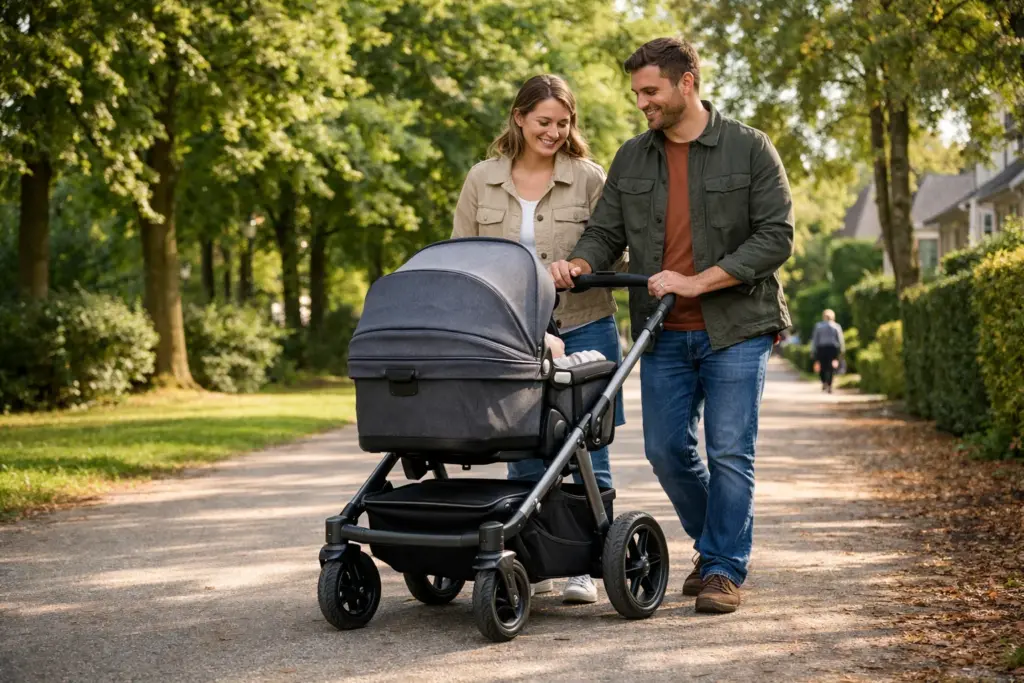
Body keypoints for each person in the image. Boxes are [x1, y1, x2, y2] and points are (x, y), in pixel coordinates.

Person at [549, 38, 794, 614]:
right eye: (637, 92)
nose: (642, 103)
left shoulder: (750, 148)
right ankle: (716, 549)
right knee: (665, 450)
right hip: (661, 332)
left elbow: (775, 237)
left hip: (737, 326)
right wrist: (582, 263)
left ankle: (722, 571)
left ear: (687, 83)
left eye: (650, 90)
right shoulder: (633, 156)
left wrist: (699, 280)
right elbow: (606, 231)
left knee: (731, 450)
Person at [451, 74, 626, 604]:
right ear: (520, 117)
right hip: (514, 332)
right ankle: (528, 555)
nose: (553, 131)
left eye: (563, 122)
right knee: (524, 443)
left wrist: (579, 264)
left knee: (586, 446)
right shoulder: (483, 179)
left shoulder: (589, 178)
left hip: (584, 323)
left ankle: (585, 565)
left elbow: (616, 247)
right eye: (543, 121)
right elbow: (463, 253)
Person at [810, 309, 845, 393]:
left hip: (821, 348)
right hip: (832, 349)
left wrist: (812, 350)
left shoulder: (818, 326)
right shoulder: (836, 326)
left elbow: (815, 340)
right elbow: (840, 339)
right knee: (831, 367)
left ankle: (824, 382)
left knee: (822, 366)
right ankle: (829, 384)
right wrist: (842, 350)